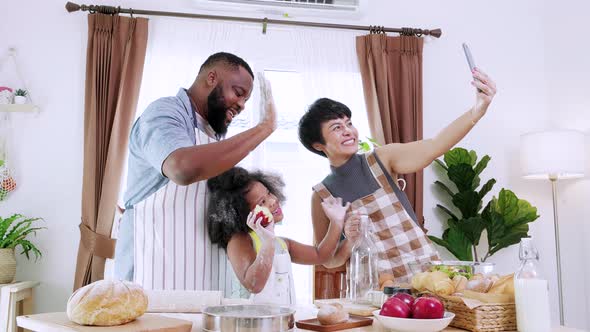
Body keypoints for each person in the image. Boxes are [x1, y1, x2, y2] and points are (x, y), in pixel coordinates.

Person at [297, 68, 497, 282]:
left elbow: (435, 146)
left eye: (349, 123)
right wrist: (350, 240)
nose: (348, 131)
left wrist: (477, 111)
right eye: (337, 127)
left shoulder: (382, 158)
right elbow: (328, 260)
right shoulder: (322, 196)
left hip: (426, 276)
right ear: (318, 145)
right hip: (376, 289)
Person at [114, 52, 277, 294]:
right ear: (212, 77)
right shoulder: (164, 113)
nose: (242, 105)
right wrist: (264, 128)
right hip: (151, 281)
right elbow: (182, 168)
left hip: (199, 287)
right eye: (239, 93)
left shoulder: (213, 135)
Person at [206, 167, 349, 305]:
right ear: (242, 214)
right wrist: (267, 242)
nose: (273, 200)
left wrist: (336, 222)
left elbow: (321, 255)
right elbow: (254, 285)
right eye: (262, 202)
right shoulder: (239, 240)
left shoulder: (280, 244)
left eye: (268, 193)